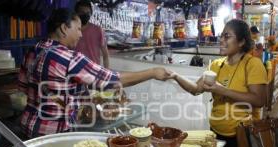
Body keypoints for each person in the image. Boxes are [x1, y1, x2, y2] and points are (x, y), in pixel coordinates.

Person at [18, 8, 173, 138]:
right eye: (78, 29)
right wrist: (152, 72)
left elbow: (24, 88)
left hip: (27, 128)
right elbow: (112, 80)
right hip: (53, 134)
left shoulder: (33, 50)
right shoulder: (70, 58)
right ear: (64, 28)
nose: (80, 34)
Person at [172, 19, 267, 147]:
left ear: (241, 42)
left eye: (227, 36)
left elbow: (259, 100)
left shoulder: (252, 65)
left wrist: (221, 90)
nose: (221, 40)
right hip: (216, 135)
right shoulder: (217, 66)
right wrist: (175, 76)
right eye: (221, 36)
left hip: (240, 137)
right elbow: (195, 89)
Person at [74, 0, 110, 68]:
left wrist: (106, 71)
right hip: (75, 70)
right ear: (76, 13)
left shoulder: (98, 30)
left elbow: (105, 55)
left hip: (93, 71)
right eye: (82, 12)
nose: (85, 15)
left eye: (88, 13)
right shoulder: (71, 30)